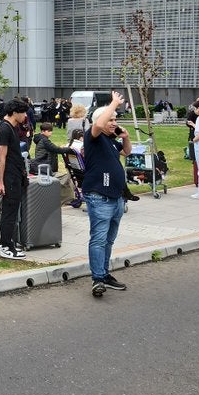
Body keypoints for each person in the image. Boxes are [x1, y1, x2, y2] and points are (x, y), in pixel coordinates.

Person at [83, 91, 132, 297]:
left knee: (109, 240)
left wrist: (126, 138)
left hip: (116, 197)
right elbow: (98, 124)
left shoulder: (111, 140)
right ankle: (97, 278)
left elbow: (126, 152)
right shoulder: (93, 137)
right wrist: (113, 104)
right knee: (99, 239)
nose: (114, 123)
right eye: (110, 120)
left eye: (115, 120)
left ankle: (104, 274)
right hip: (99, 196)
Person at [0, 98, 30, 260]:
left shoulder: (13, 127)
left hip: (16, 174)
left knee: (13, 211)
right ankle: (4, 245)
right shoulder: (4, 129)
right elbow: (1, 158)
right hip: (9, 177)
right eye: (23, 113)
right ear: (15, 113)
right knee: (9, 212)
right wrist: (1, 182)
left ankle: (8, 243)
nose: (25, 116)